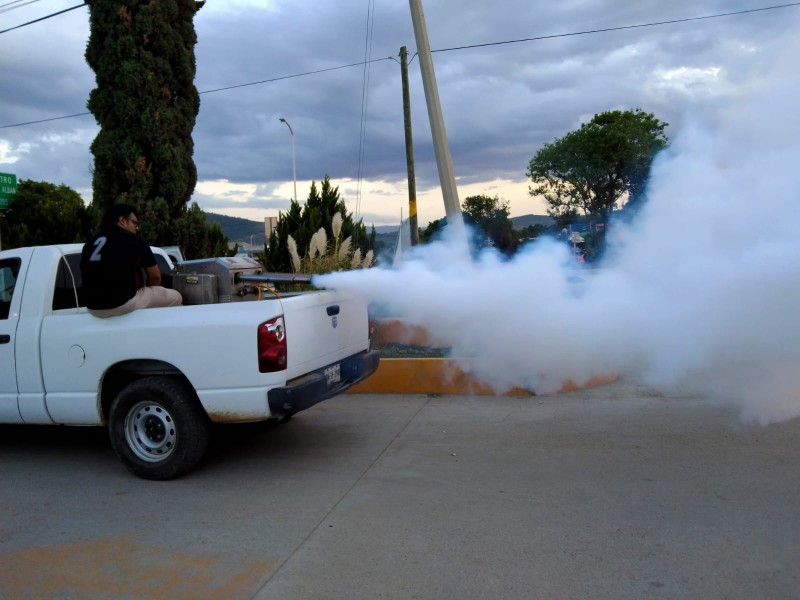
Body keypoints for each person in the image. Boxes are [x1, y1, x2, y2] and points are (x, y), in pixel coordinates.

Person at [81, 203, 182, 317]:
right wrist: (153, 291)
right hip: (122, 304)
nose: (136, 228)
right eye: (134, 222)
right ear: (122, 220)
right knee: (176, 297)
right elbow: (155, 276)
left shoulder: (89, 243)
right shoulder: (135, 239)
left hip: (93, 309)